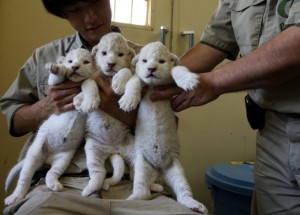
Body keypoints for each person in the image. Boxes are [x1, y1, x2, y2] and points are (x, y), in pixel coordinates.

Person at [0, 1, 206, 214]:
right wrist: (46, 107)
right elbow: (13, 118)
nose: (90, 17)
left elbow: (167, 129)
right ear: (63, 14)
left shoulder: (145, 58)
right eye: (75, 9)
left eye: (96, 2)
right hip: (60, 185)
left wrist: (119, 110)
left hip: (137, 182)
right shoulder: (45, 57)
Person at [151, 1, 300, 215]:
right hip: (272, 131)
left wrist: (214, 82)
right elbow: (214, 43)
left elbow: (295, 47)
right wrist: (156, 78)